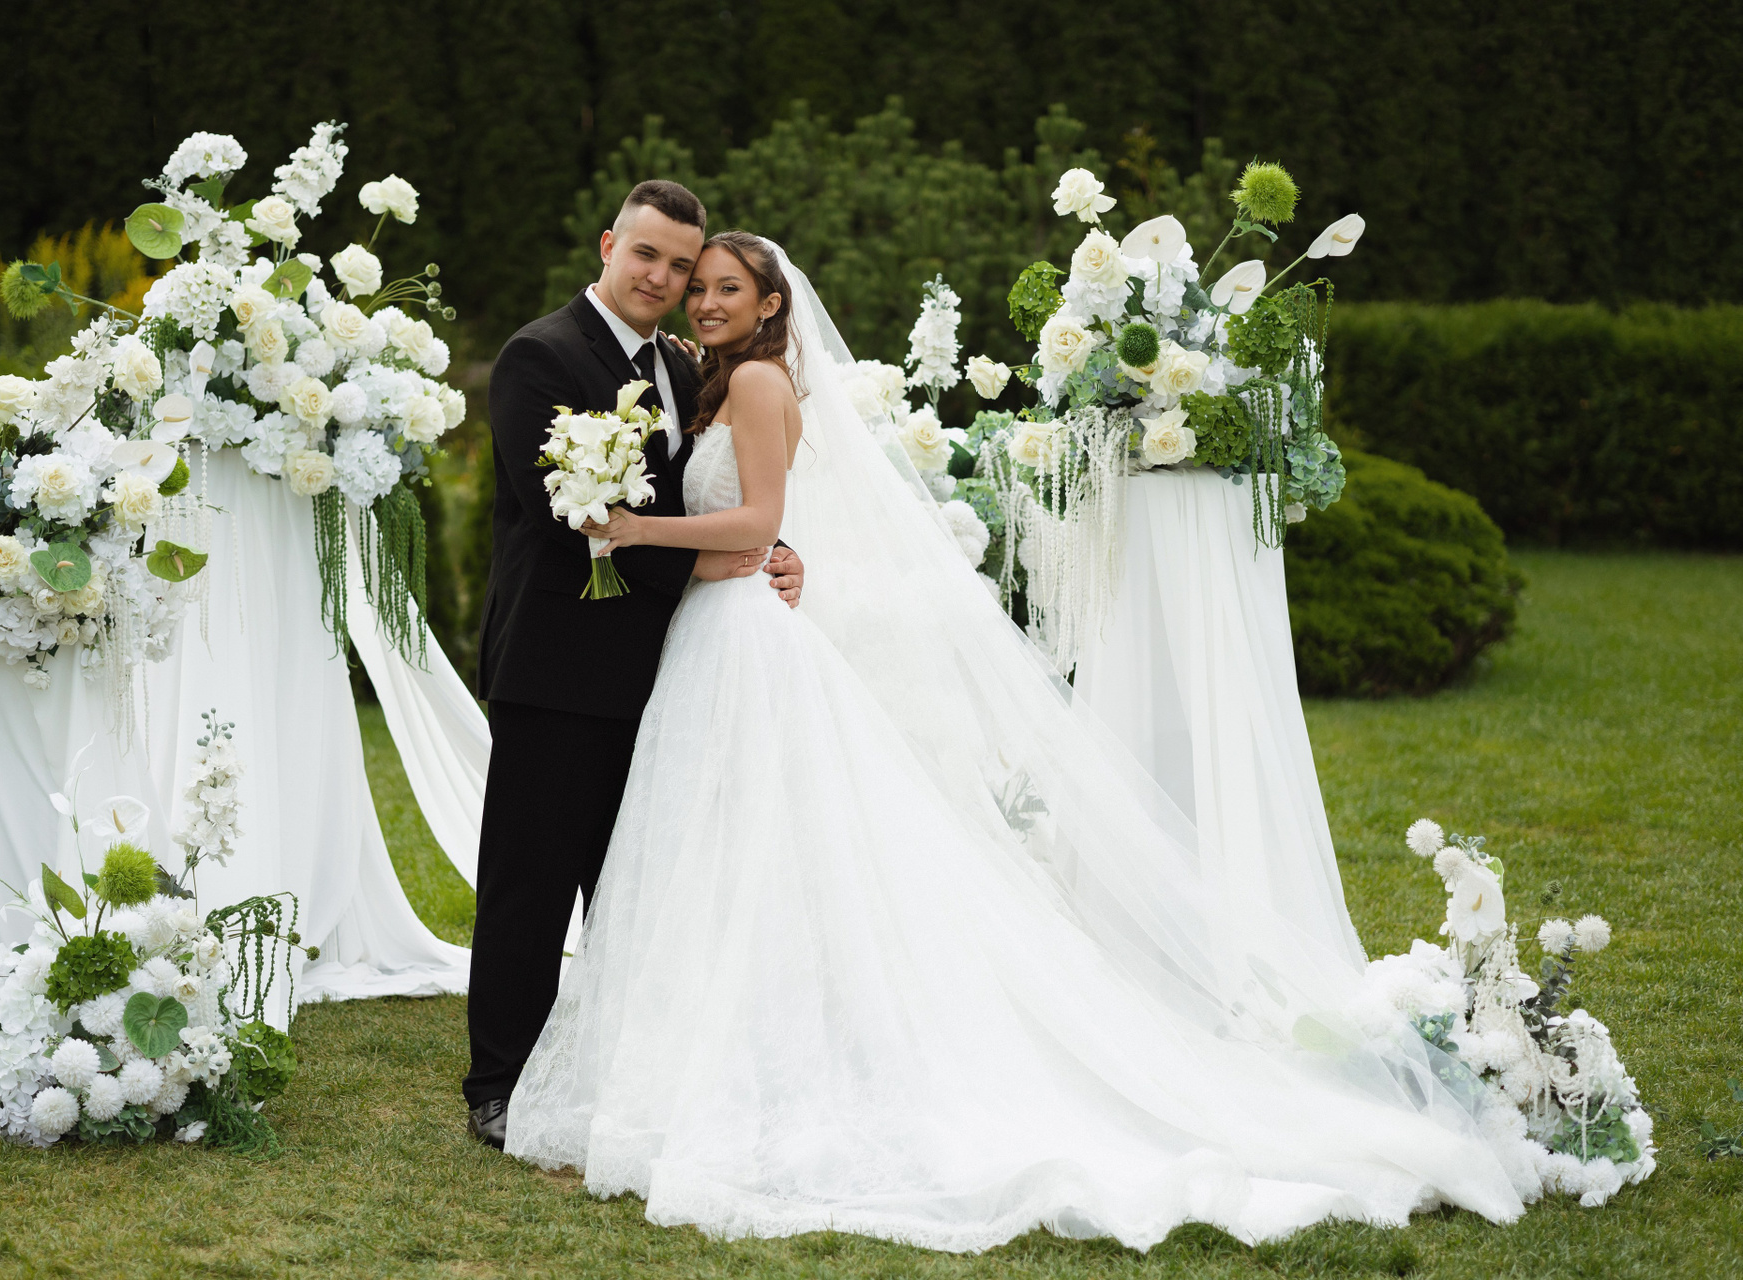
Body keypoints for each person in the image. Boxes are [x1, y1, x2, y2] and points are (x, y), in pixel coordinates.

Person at [500, 233, 1535, 1252]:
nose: (704, 300)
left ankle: (757, 1065)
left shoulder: (763, 384)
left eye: (727, 287)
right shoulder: (702, 379)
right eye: (700, 286)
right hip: (708, 634)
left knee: (752, 849)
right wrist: (737, 545)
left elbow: (757, 516)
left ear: (773, 305)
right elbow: (757, 522)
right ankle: (719, 1051)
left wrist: (635, 530)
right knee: (719, 857)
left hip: (743, 639)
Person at [465, 182, 803, 1147]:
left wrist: (773, 553)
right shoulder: (540, 356)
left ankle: (613, 1071)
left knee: (639, 885)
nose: (663, 279)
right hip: (558, 668)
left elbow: (720, 493)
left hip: (667, 671)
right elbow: (561, 516)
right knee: (531, 886)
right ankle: (500, 1083)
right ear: (611, 245)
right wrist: (701, 566)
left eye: (682, 268)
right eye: (647, 255)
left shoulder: (691, 367)